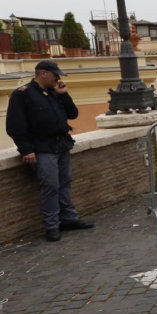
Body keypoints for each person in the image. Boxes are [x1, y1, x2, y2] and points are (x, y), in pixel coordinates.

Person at [6, 60, 94, 241]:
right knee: (50, 186)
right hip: (42, 148)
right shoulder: (23, 94)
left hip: (61, 145)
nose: (58, 79)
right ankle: (52, 226)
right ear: (43, 73)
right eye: (55, 75)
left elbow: (73, 114)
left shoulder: (55, 92)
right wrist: (26, 150)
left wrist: (64, 95)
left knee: (65, 183)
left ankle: (68, 219)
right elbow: (15, 125)